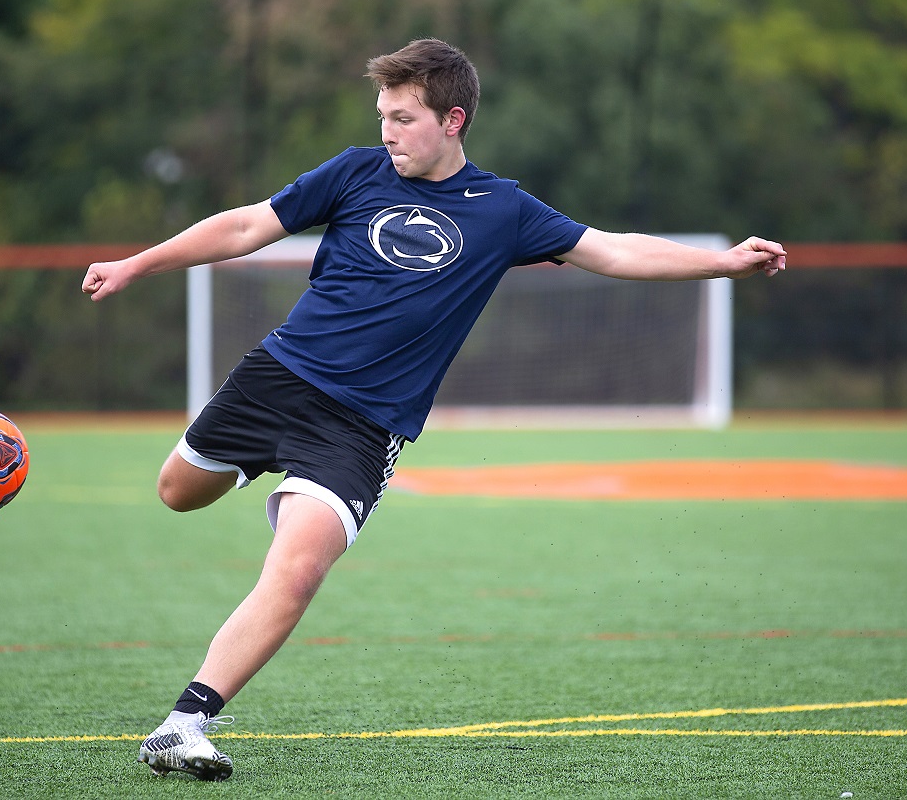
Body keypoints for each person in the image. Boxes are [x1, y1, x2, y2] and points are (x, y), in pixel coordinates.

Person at [81, 38, 785, 781]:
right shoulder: (355, 172)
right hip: (275, 378)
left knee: (295, 572)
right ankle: (265, 471)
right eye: (382, 114)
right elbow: (245, 227)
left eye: (404, 117)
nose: (387, 131)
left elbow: (614, 251)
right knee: (177, 493)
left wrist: (723, 260)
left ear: (453, 120)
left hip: (359, 427)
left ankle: (185, 723)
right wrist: (137, 263)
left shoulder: (505, 209)